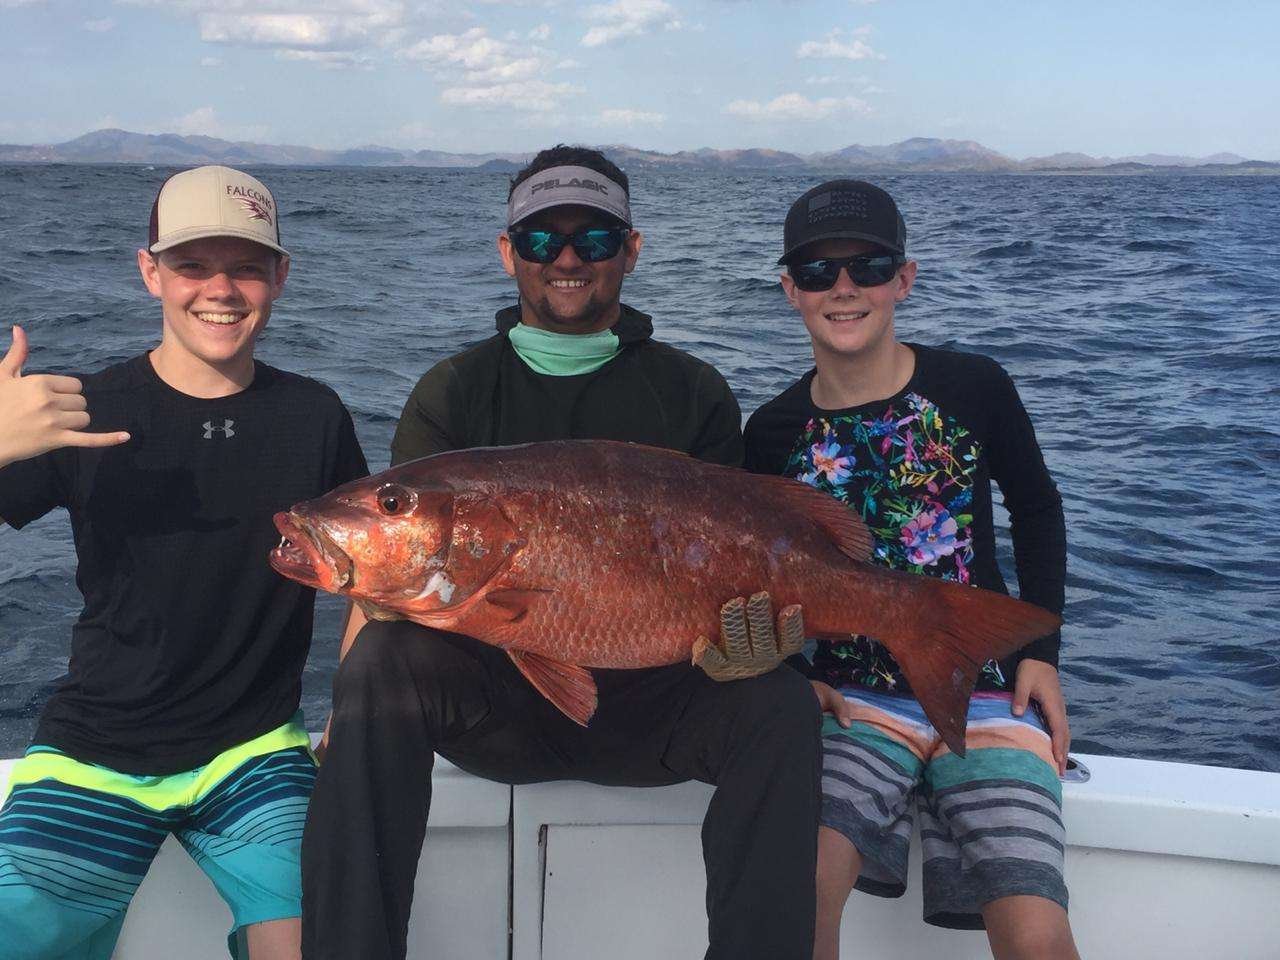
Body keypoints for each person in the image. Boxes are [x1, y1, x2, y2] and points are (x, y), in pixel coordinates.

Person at [301, 145, 822, 960]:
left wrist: (753, 646)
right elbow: (389, 581)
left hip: (661, 707)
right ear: (509, 252)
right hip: (500, 711)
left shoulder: (695, 392)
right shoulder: (454, 391)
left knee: (782, 705)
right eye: (543, 240)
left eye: (595, 238)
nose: (569, 259)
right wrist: (347, 715)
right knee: (375, 672)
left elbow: (745, 566)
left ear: (633, 249)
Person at [0, 165, 368, 960]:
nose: (221, 290)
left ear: (281, 276)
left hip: (254, 750)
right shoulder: (84, 408)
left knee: (320, 940)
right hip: (94, 752)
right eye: (193, 264)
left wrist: (352, 704)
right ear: (150, 272)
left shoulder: (316, 415)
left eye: (245, 266)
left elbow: (371, 574)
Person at [743, 180, 1081, 960]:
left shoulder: (975, 387)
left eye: (869, 264)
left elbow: (1037, 508)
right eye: (819, 272)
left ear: (905, 277)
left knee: (1036, 926)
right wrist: (794, 677)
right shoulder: (772, 433)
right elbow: (753, 576)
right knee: (801, 897)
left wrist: (1042, 655)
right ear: (790, 289)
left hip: (988, 685)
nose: (845, 287)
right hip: (850, 702)